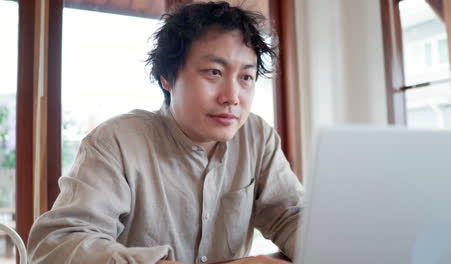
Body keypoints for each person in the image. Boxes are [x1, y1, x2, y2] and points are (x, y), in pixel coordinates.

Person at [27, 2, 304, 264]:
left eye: (245, 77)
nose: (232, 97)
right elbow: (57, 246)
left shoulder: (257, 136)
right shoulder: (116, 142)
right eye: (214, 72)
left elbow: (290, 216)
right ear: (167, 78)